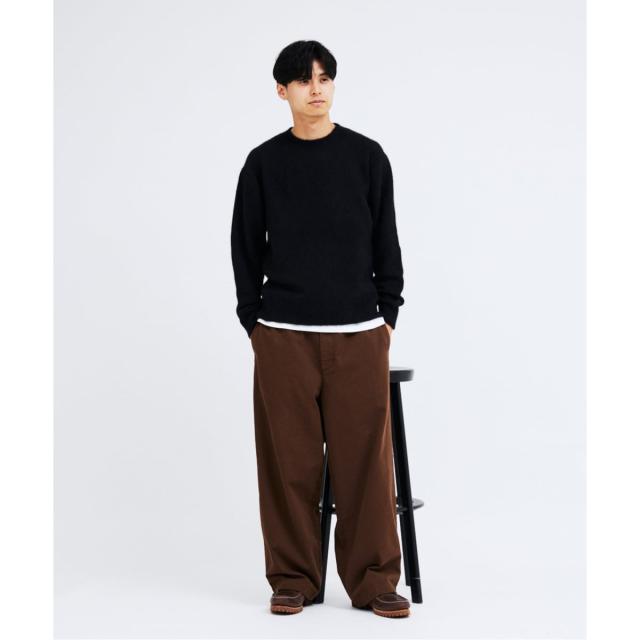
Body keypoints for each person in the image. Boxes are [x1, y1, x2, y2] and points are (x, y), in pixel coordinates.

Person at [230, 40, 409, 618]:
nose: (316, 89)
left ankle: (375, 581)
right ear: (281, 90)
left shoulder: (366, 157)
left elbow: (386, 241)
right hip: (283, 334)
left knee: (366, 466)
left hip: (359, 332)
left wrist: (387, 314)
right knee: (289, 463)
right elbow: (244, 246)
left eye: (325, 78)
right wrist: (254, 321)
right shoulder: (263, 163)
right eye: (304, 80)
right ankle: (292, 579)